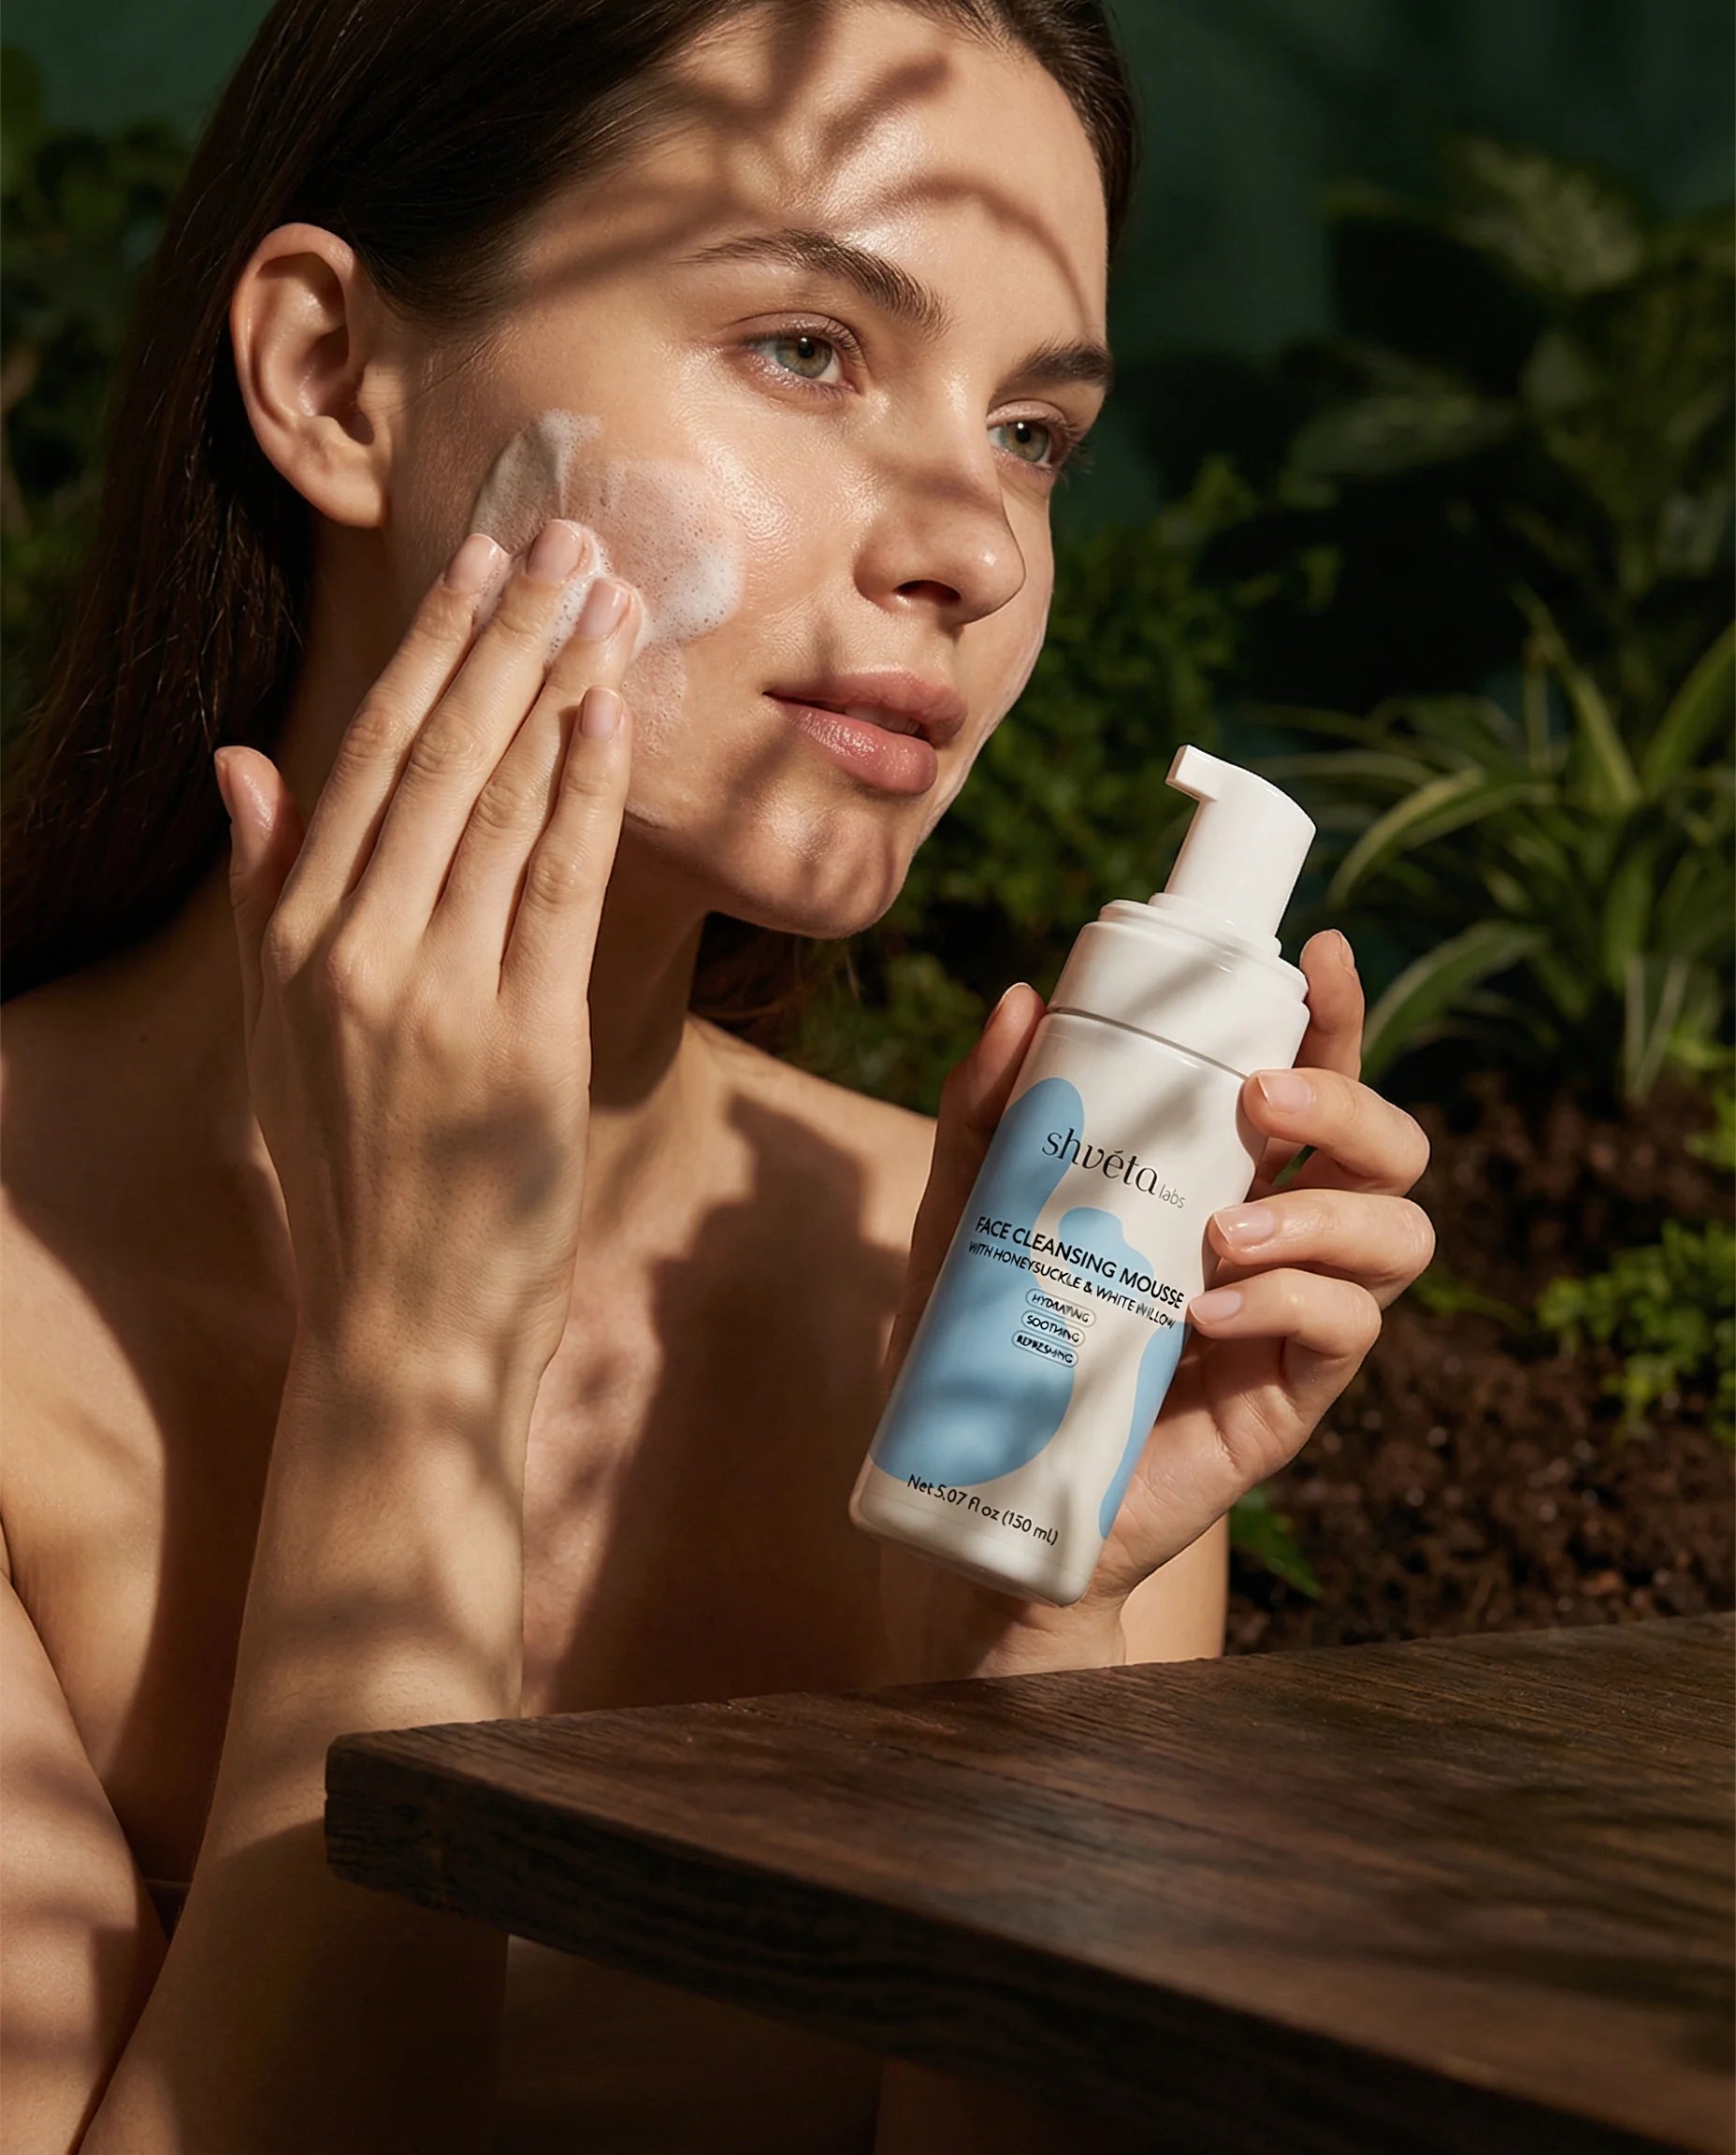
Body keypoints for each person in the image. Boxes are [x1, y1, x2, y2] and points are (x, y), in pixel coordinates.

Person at [0, 0, 1435, 2147]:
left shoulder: (982, 1315)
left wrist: (1010, 1650)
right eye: (809, 348)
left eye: (1037, 432)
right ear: (328, 376)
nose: (974, 545)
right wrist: (414, 1386)